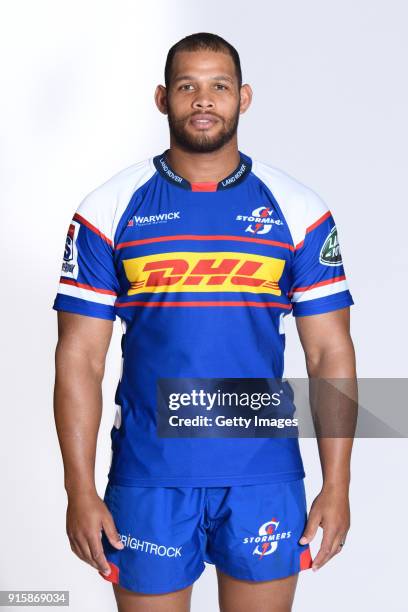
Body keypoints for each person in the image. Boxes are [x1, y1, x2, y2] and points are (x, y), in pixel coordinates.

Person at [53, 32, 356, 612]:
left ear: (243, 98)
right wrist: (79, 489)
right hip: (149, 478)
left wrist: (337, 485)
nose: (203, 100)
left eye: (218, 86)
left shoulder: (298, 209)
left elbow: (329, 354)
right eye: (188, 87)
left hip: (262, 474)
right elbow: (79, 359)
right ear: (163, 98)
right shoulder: (108, 209)